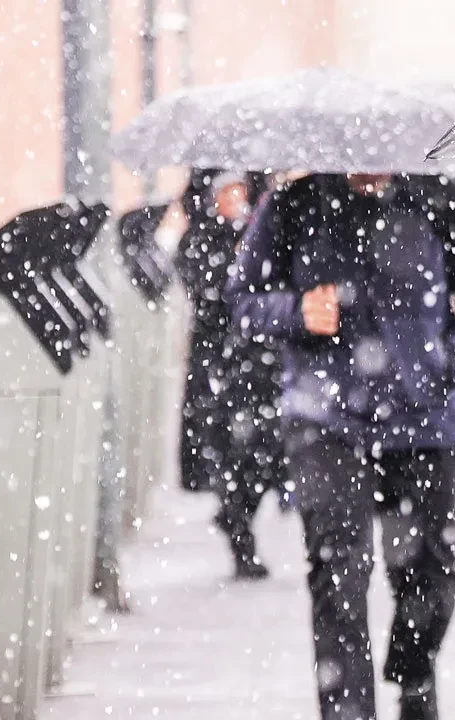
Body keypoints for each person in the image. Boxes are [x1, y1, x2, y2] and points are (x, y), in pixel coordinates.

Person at [225, 172, 455, 720]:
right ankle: (348, 711)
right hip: (325, 419)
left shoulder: (440, 200)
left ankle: (414, 675)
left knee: (430, 572)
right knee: (337, 575)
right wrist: (296, 312)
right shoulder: (293, 204)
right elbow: (241, 298)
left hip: (424, 419)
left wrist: (446, 364)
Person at [173, 168, 280, 580]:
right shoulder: (200, 242)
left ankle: (237, 515)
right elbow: (209, 294)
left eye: (238, 192)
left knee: (266, 454)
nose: (232, 201)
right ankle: (241, 538)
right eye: (225, 193)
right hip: (218, 365)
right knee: (228, 454)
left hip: (261, 364)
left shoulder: (263, 236)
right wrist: (234, 259)